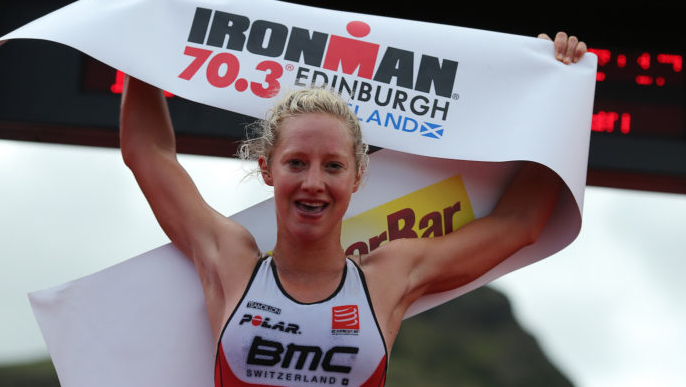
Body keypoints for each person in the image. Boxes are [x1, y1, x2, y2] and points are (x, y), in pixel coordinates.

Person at [120, 31, 587, 386]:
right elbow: (148, 153)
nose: (313, 183)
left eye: (333, 166)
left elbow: (519, 224)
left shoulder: (390, 275)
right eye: (296, 163)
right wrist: (141, 39)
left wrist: (557, 92)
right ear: (267, 170)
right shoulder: (231, 262)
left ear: (357, 177)